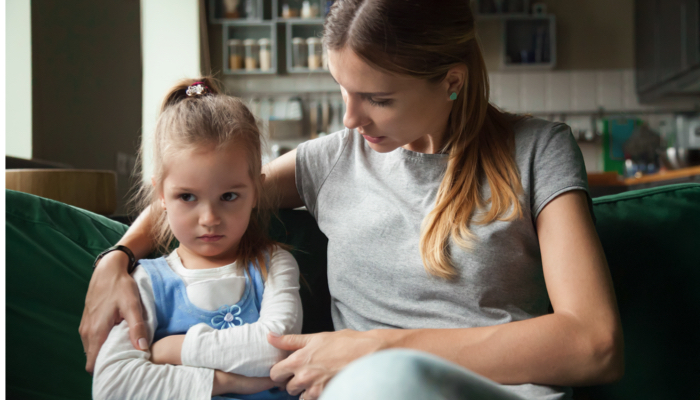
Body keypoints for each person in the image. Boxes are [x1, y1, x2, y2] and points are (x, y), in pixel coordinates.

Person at [81, 1, 624, 399]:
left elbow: (594, 342)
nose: (350, 118)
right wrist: (117, 258)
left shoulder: (537, 151)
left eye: (378, 99)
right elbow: (205, 194)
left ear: (452, 82)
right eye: (344, 90)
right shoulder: (333, 159)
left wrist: (380, 349)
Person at [90, 78, 302, 400]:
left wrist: (176, 348)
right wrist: (224, 382)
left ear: (256, 191)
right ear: (160, 195)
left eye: (229, 195)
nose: (209, 218)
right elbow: (113, 386)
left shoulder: (274, 265)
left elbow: (277, 348)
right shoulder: (145, 280)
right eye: (187, 197)